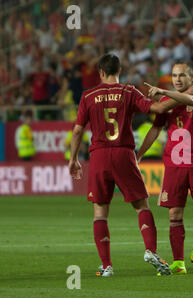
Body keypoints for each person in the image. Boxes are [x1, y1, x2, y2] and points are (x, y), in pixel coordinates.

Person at [68, 53, 182, 277]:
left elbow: (78, 130)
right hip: (124, 154)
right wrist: (183, 96)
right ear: (119, 71)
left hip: (99, 156)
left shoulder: (89, 95)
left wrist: (73, 160)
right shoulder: (128, 91)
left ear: (101, 72)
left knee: (100, 213)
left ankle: (107, 266)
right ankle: (150, 251)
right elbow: (158, 109)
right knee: (142, 206)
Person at [136, 62, 193, 275]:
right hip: (174, 163)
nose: (177, 79)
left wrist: (163, 91)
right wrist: (140, 154)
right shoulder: (165, 102)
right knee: (175, 214)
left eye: (182, 75)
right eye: (174, 75)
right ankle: (178, 261)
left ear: (192, 77)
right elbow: (155, 128)